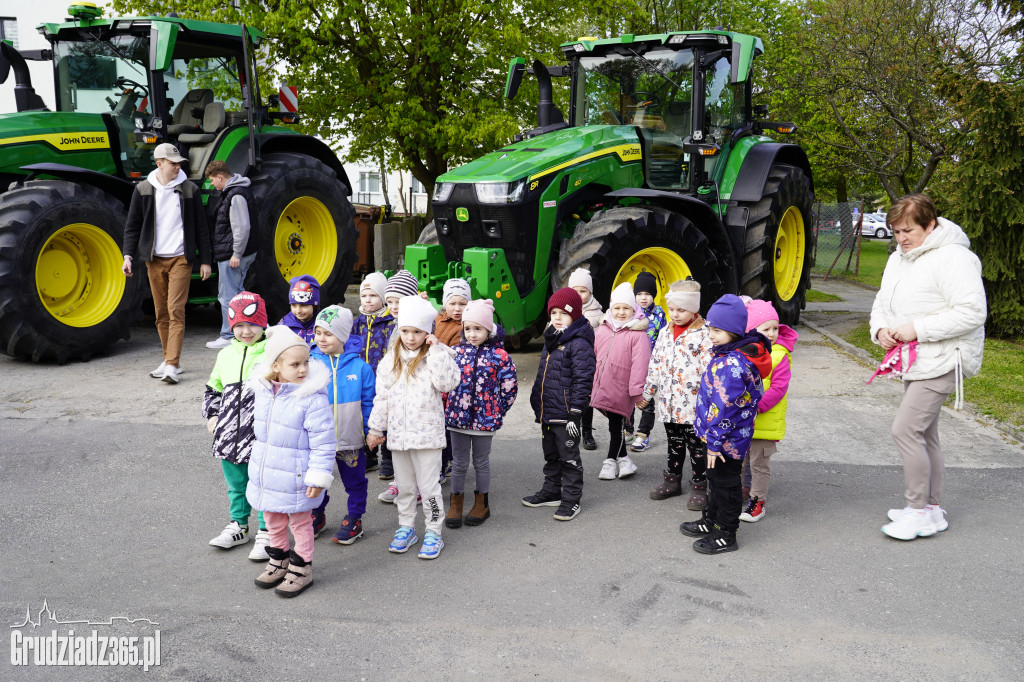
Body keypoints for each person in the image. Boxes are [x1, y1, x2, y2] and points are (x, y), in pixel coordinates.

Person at [870, 193, 986, 541]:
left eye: (909, 230)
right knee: (925, 434)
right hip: (917, 359)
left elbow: (972, 312)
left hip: (945, 358)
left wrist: (915, 329)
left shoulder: (955, 258)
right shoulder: (899, 258)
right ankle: (932, 510)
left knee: (905, 430)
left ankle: (917, 511)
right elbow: (882, 301)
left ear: (930, 225)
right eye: (896, 231)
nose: (902, 238)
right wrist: (881, 330)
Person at [366, 295, 460, 559]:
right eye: (405, 331)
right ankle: (406, 527)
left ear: (427, 332)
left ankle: (433, 531)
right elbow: (382, 397)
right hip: (399, 437)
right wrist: (376, 429)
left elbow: (447, 383)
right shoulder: (390, 361)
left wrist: (439, 351)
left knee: (429, 488)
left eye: (417, 332)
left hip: (428, 437)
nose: (410, 337)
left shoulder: (435, 357)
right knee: (405, 488)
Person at [248, 326, 336, 597]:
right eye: (295, 364)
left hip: (297, 476)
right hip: (268, 474)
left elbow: (324, 442)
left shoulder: (311, 399)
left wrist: (318, 477)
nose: (303, 370)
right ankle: (279, 559)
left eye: (306, 363)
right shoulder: (263, 393)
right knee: (272, 518)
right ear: (275, 366)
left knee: (300, 523)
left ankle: (302, 567)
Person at [681, 295, 770, 555]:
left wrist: (714, 443)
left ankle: (726, 533)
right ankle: (711, 521)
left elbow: (725, 409)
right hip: (721, 437)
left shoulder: (732, 364)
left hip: (725, 441)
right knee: (716, 480)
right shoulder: (730, 354)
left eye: (717, 331)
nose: (711, 335)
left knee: (727, 484)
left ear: (733, 331)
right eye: (709, 329)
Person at [122, 142, 212, 384]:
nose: (177, 167)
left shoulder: (190, 189)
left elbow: (202, 228)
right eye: (172, 163)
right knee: (160, 313)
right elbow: (132, 227)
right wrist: (127, 256)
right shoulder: (142, 189)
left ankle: (171, 364)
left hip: (181, 258)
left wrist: (205, 261)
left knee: (175, 310)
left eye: (179, 163)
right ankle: (170, 358)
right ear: (159, 163)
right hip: (154, 260)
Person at [203, 292, 270, 560]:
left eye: (252, 324)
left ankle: (267, 530)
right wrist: (212, 416)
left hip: (261, 432)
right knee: (236, 482)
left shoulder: (272, 351)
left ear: (263, 323)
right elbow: (213, 388)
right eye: (239, 325)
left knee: (262, 480)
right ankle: (239, 525)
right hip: (229, 432)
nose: (245, 331)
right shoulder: (226, 355)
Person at [523, 288, 596, 522]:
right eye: (553, 312)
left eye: (562, 313)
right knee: (551, 455)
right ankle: (552, 491)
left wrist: (576, 412)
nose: (556, 317)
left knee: (569, 457)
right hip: (548, 412)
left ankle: (571, 499)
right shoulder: (552, 338)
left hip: (566, 414)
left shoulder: (579, 343)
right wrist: (537, 401)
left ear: (574, 314)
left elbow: (583, 380)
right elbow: (544, 374)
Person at [444, 299, 517, 528]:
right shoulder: (455, 353)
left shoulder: (500, 356)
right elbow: (444, 383)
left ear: (489, 329)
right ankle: (456, 503)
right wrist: (449, 407)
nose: (472, 334)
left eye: (478, 328)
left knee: (481, 462)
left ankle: (481, 502)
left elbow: (509, 388)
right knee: (458, 463)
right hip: (457, 419)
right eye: (468, 328)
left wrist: (496, 410)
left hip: (485, 421)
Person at [641, 279, 713, 508]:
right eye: (671, 309)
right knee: (674, 443)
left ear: (694, 308)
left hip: (693, 406)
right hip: (669, 403)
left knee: (696, 447)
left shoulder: (704, 334)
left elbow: (709, 370)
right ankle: (672, 480)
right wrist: (648, 392)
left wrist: (710, 401)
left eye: (681, 310)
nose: (675, 314)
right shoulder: (664, 333)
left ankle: (700, 485)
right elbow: (656, 363)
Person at [308, 305, 376, 545]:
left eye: (328, 333)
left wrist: (370, 430)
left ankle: (355, 518)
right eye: (318, 332)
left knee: (355, 481)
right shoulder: (309, 364)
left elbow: (369, 403)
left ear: (344, 335)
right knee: (316, 480)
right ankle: (316, 514)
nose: (321, 339)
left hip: (351, 439)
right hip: (317, 441)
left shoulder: (361, 368)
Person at [740, 299, 798, 523]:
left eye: (775, 328)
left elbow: (778, 388)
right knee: (742, 460)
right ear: (751, 330)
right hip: (744, 419)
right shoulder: (745, 352)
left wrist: (757, 407)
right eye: (766, 328)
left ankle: (758, 502)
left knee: (759, 464)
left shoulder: (779, 355)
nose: (772, 333)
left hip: (764, 421)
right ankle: (743, 491)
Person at [591, 282, 651, 481]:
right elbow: (595, 356)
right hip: (603, 386)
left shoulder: (638, 335)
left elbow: (640, 366)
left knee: (616, 426)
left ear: (634, 310)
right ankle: (624, 460)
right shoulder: (602, 329)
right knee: (614, 426)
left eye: (626, 308)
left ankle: (609, 462)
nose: (621, 312)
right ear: (611, 308)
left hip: (622, 388)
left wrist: (636, 392)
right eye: (617, 308)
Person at [375, 269, 421, 496]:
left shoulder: (417, 328)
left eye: (399, 301)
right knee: (398, 441)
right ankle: (400, 482)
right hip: (395, 392)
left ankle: (419, 484)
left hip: (415, 395)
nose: (393, 306)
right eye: (389, 301)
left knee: (414, 444)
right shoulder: (394, 325)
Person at [204, 161, 258, 350]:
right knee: (238, 294)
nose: (212, 185)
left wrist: (236, 254)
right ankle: (248, 329)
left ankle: (228, 335)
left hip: (232, 255)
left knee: (228, 296)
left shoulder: (235, 195)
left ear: (220, 177)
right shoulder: (236, 192)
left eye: (212, 180)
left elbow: (242, 227)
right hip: (233, 253)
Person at [344, 271, 395, 473]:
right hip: (363, 380)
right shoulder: (357, 323)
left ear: (382, 298)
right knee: (365, 417)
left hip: (383, 379)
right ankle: (369, 454)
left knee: (387, 417)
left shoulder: (390, 323)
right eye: (364, 295)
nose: (368, 300)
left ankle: (388, 460)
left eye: (373, 295)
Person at [628, 271, 666, 451]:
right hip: (630, 363)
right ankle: (627, 429)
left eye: (648, 294)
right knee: (628, 398)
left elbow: (664, 338)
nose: (643, 298)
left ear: (654, 295)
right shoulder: (630, 313)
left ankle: (643, 435)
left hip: (649, 365)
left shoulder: (659, 314)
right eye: (639, 294)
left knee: (646, 400)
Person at [568, 267, 604, 451]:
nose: (579, 295)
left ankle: (587, 432)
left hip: (588, 363)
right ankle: (570, 430)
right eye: (575, 291)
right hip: (569, 361)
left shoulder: (597, 315)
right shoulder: (565, 312)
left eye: (583, 291)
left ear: (590, 292)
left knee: (586, 399)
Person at [279, 275, 320, 346]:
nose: (298, 311)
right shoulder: (284, 325)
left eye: (304, 305)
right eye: (294, 305)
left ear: (314, 305)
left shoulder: (323, 324)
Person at [433, 278, 472, 347]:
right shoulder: (439, 317)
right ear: (445, 304)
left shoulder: (464, 328)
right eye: (452, 304)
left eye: (462, 304)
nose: (457, 309)